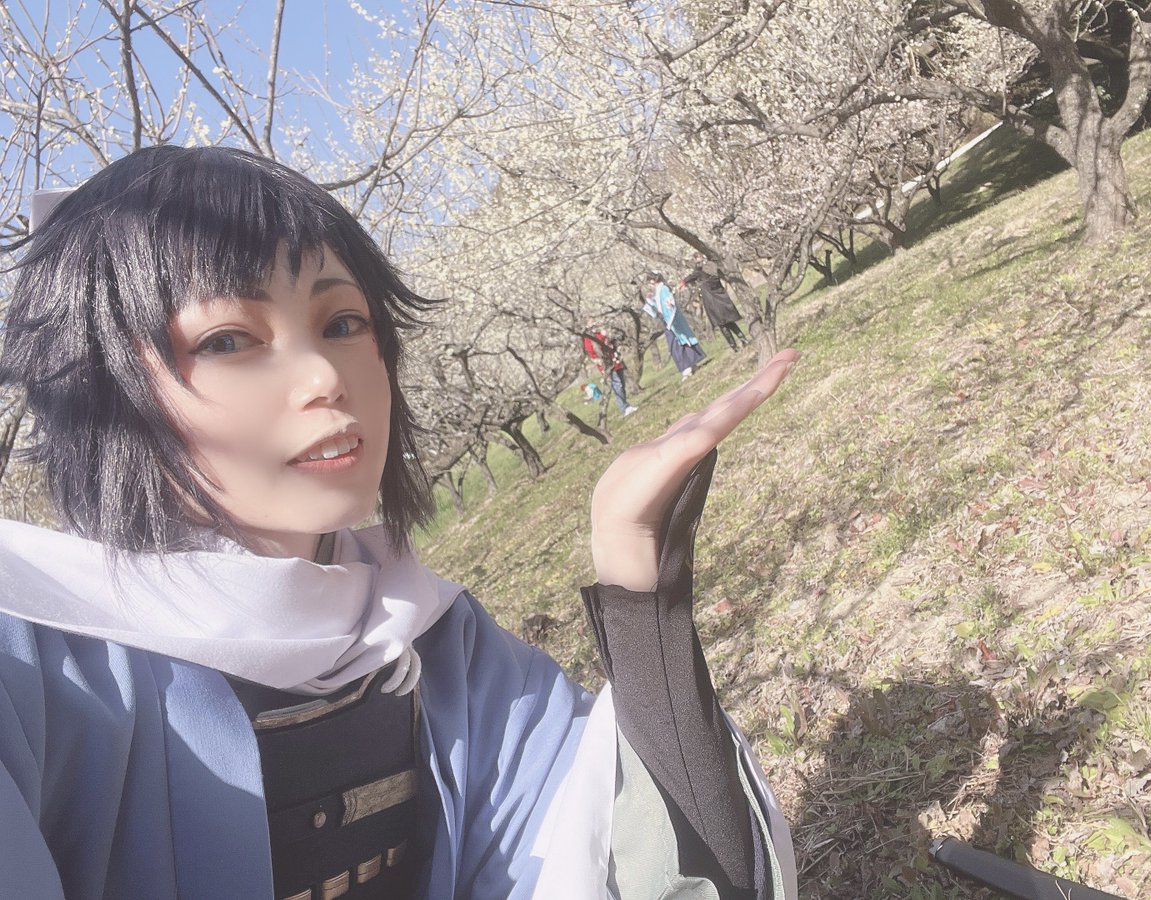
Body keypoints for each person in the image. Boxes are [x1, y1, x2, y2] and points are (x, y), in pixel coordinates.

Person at [0, 145, 800, 899]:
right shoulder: (34, 677)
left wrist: (639, 590)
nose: (323, 376)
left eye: (343, 323)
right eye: (230, 338)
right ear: (95, 392)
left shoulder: (442, 650)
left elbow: (659, 866)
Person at [682, 257, 752, 352]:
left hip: (712, 303)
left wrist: (682, 283)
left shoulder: (700, 273)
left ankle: (734, 347)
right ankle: (743, 339)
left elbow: (690, 278)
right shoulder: (714, 270)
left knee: (722, 326)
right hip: (722, 300)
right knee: (730, 322)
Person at [646, 272, 706, 379]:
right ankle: (690, 365)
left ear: (653, 281)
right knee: (677, 343)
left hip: (672, 320)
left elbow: (669, 304)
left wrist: (669, 312)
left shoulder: (663, 289)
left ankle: (686, 367)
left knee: (676, 343)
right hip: (667, 320)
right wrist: (651, 301)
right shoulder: (659, 291)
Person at [581, 320, 636, 416]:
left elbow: (609, 342)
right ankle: (624, 408)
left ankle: (625, 405)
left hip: (615, 360)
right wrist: (603, 337)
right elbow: (592, 350)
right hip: (606, 364)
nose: (594, 323)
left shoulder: (599, 332)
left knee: (622, 383)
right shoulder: (588, 338)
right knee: (617, 384)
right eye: (591, 322)